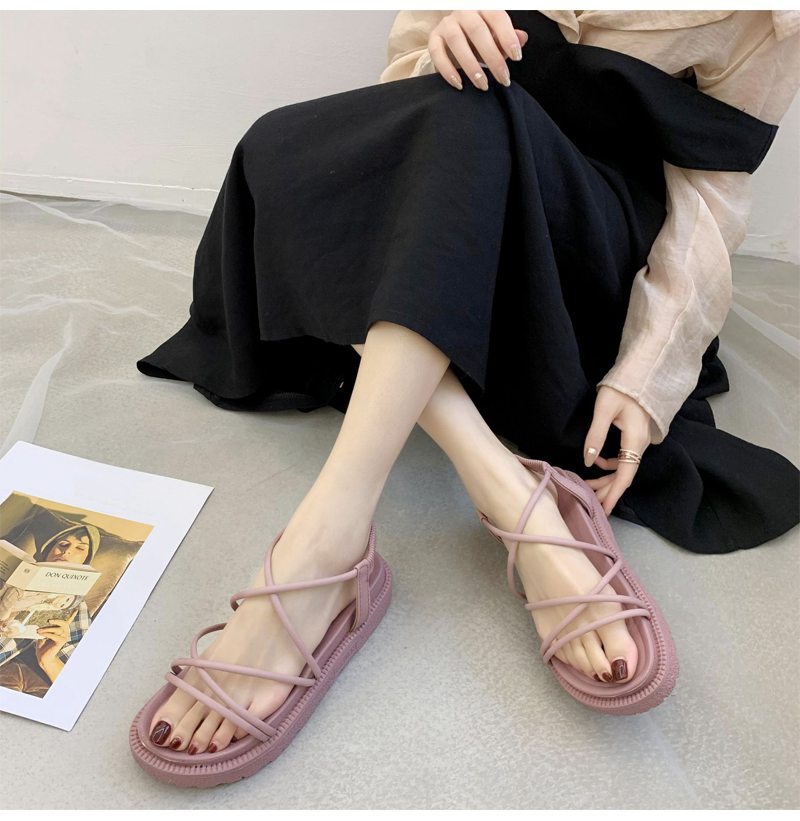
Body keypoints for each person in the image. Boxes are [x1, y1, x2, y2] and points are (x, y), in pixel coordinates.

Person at [134, 10, 800, 758]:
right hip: (461, 192)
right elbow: (407, 82)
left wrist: (649, 371)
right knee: (280, 147)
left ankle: (320, 551)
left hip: (581, 250)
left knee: (472, 114)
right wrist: (443, 41)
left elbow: (712, 193)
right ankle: (507, 489)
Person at [0, 523, 100, 687]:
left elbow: (76, 685)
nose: (66, 551)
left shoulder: (74, 606)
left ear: (85, 561)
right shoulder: (13, 572)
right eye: (63, 544)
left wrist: (48, 661)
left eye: (80, 548)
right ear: (48, 551)